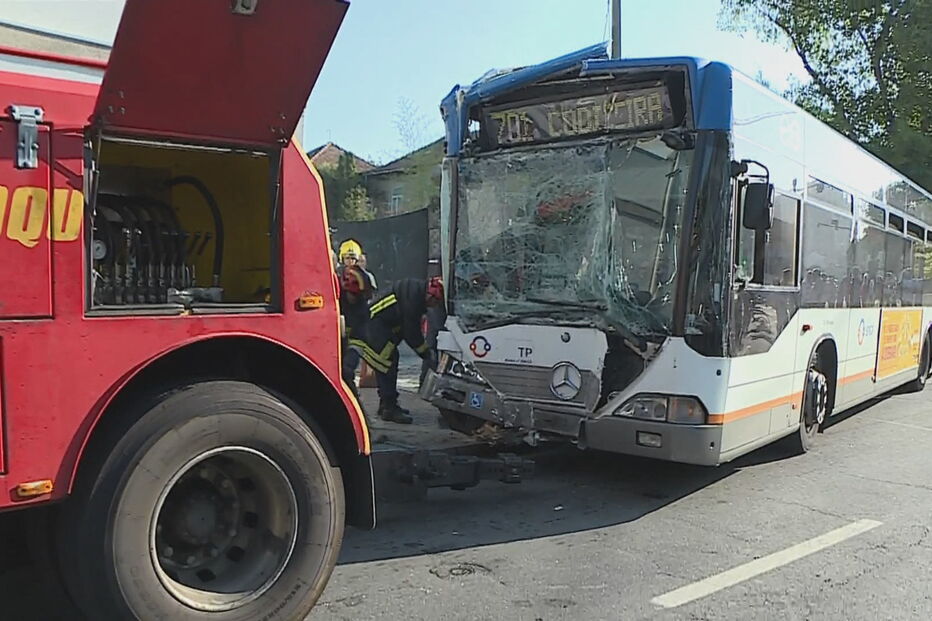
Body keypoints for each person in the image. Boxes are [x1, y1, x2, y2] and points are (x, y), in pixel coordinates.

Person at [350, 277, 444, 424]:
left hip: (375, 326)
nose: (434, 306)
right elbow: (411, 333)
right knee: (388, 363)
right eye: (435, 302)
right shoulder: (413, 300)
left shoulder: (414, 292)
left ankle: (386, 405)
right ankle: (389, 408)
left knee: (387, 363)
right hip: (373, 329)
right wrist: (426, 353)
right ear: (430, 295)